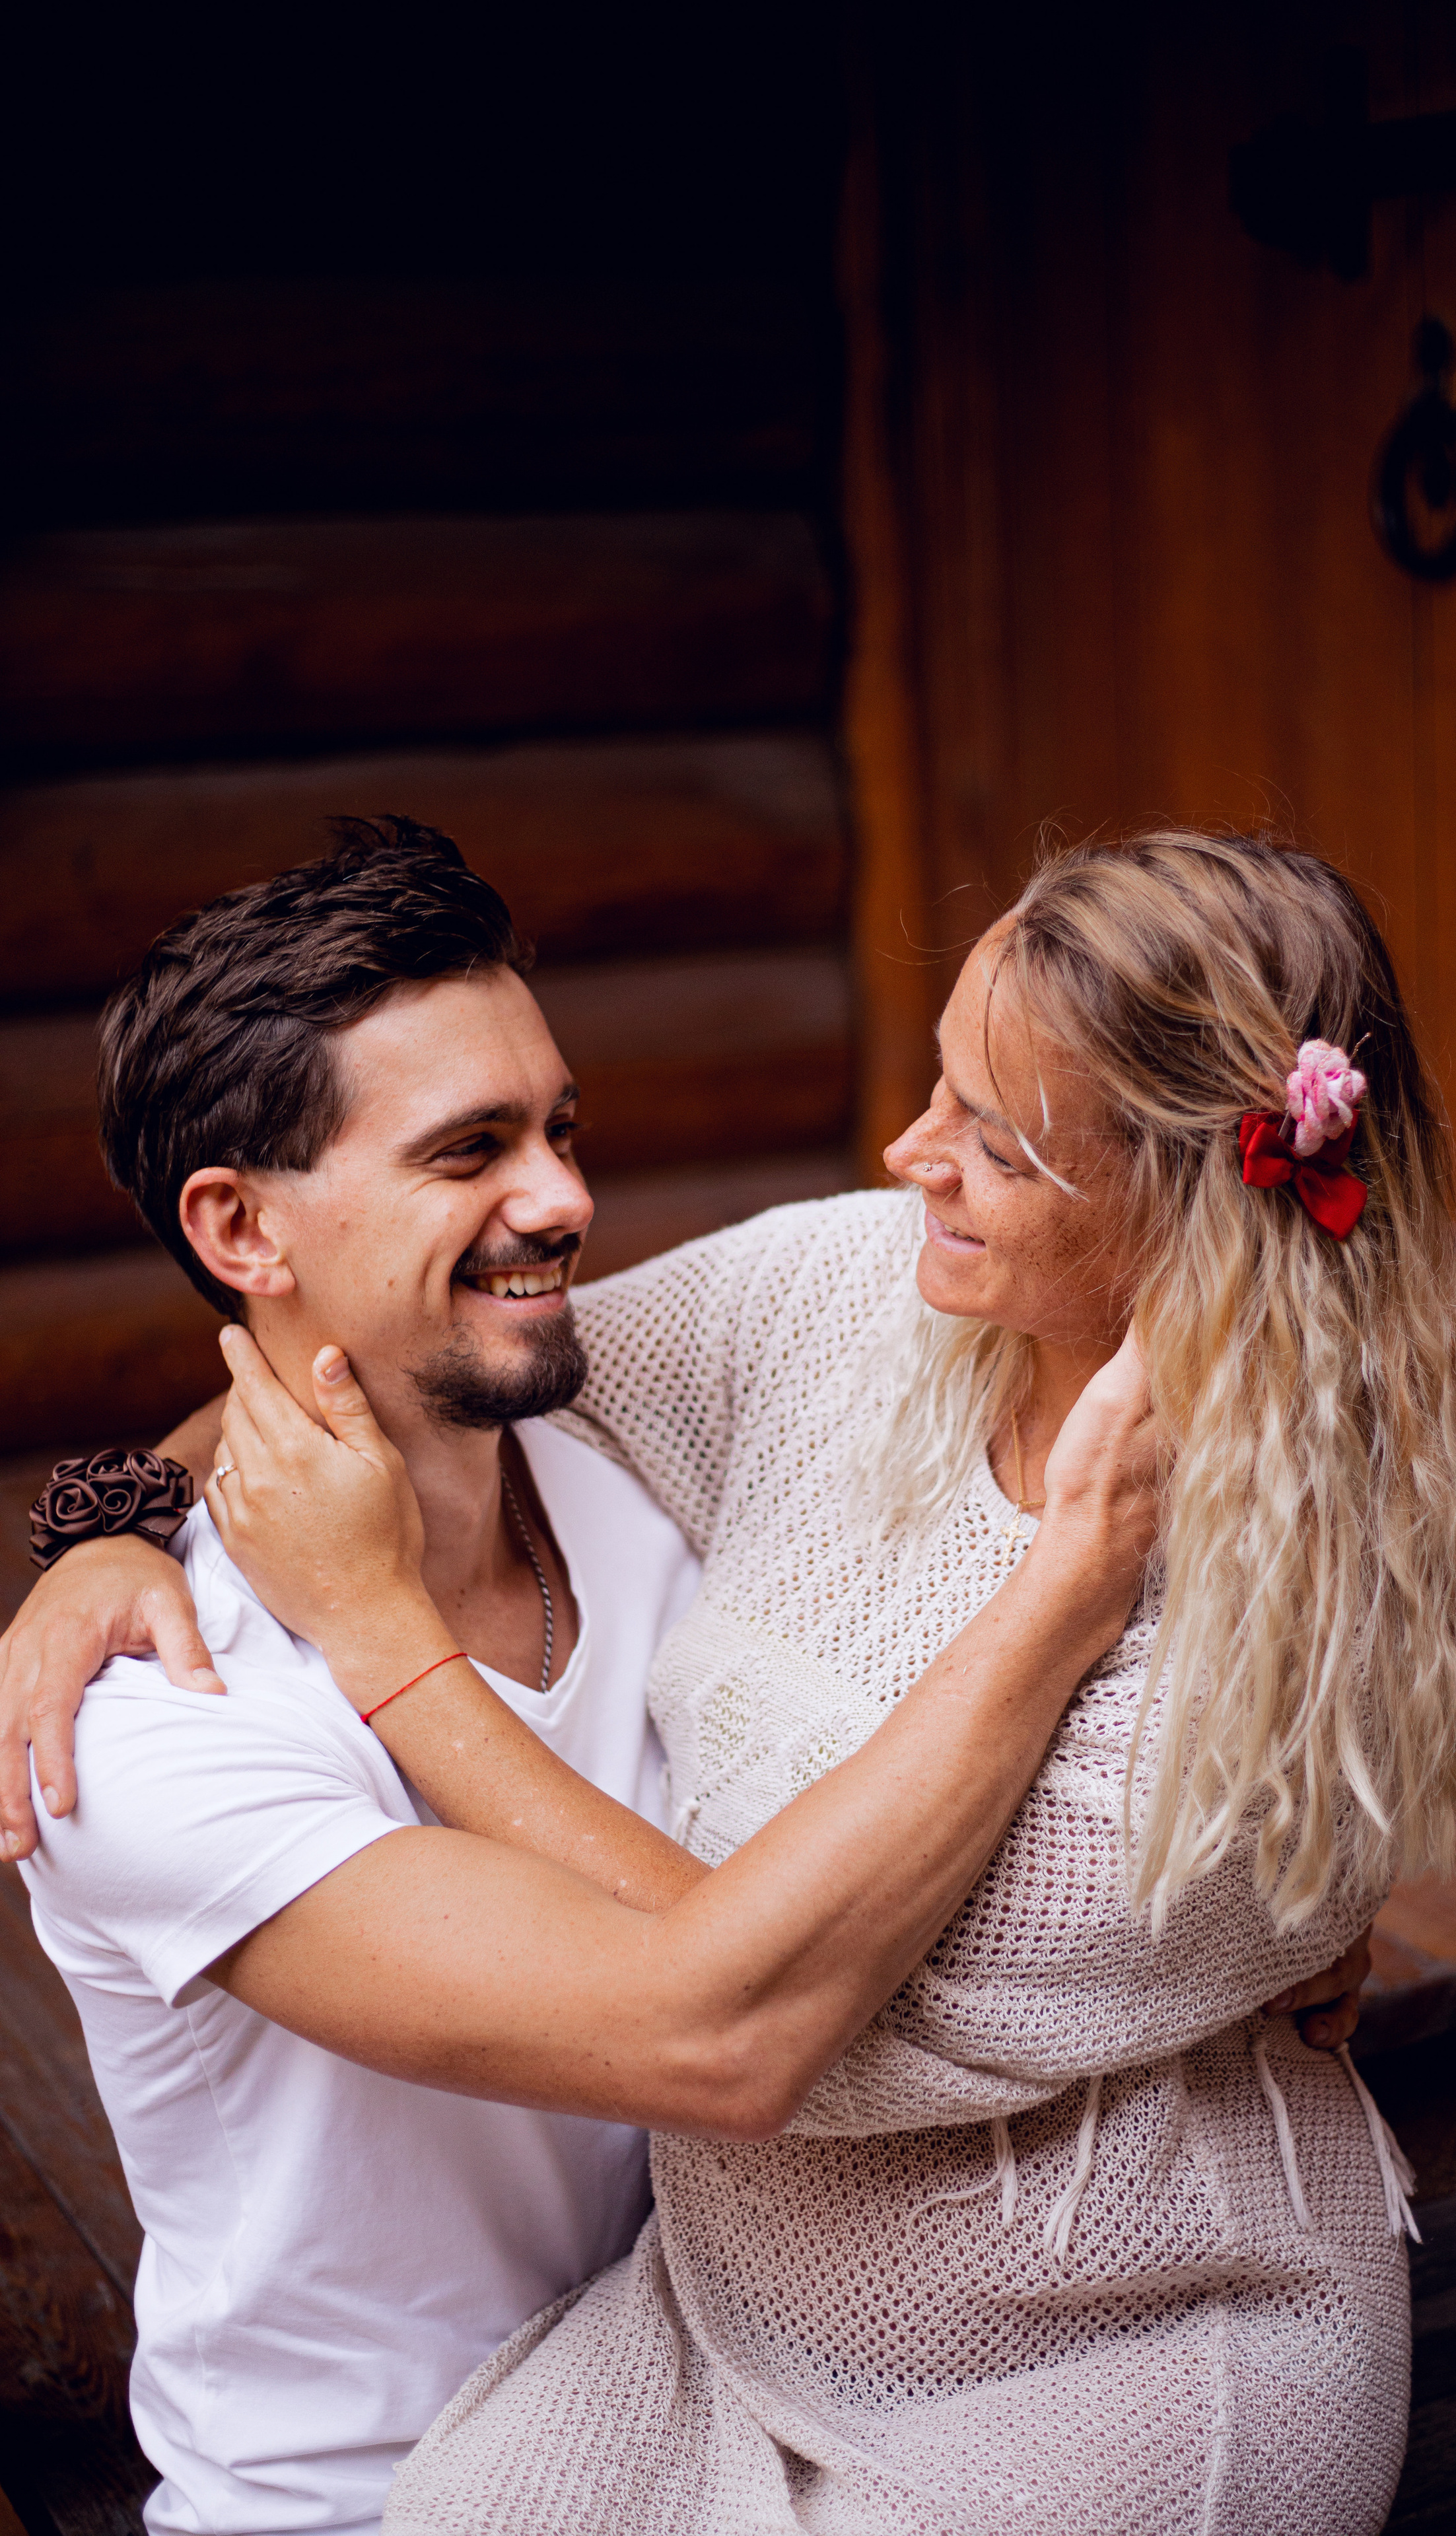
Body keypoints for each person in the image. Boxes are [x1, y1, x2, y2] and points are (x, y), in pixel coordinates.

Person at [0, 819, 1181, 2536]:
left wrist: (1214, 1921)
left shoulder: (634, 1466)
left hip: (731, 2400)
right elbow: (721, 2039)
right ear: (241, 1227)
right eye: (468, 1150)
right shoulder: (158, 1729)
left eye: (558, 1128)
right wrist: (119, 1548)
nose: (561, 1199)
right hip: (367, 2510)